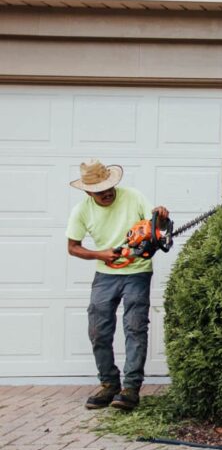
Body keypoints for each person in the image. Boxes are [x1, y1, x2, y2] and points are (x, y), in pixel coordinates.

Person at [66, 160, 169, 412]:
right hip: (105, 275)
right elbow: (73, 247)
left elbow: (157, 228)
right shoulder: (82, 211)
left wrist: (162, 219)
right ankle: (109, 384)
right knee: (98, 331)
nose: (107, 192)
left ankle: (131, 389)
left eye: (109, 186)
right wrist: (101, 254)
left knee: (135, 328)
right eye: (100, 190)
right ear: (88, 192)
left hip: (137, 272)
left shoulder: (133, 197)